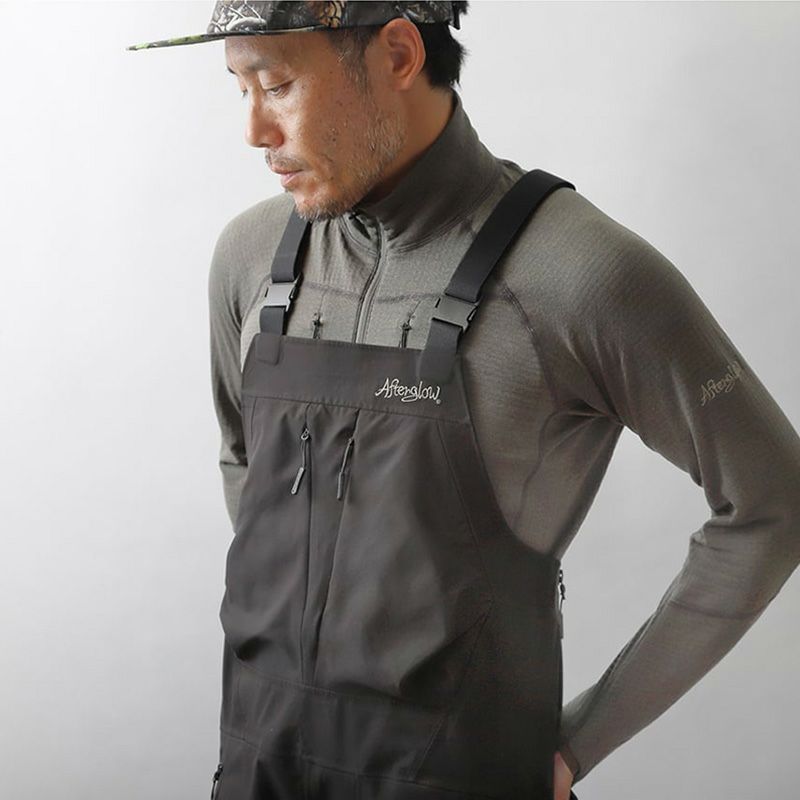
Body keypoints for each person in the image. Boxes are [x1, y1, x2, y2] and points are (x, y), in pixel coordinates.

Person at [128, 2, 800, 798]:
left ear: (398, 55)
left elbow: (774, 503)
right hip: (256, 771)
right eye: (239, 86)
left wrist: (580, 743)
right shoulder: (249, 259)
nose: (253, 131)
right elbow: (243, 457)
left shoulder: (576, 275)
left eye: (276, 85)